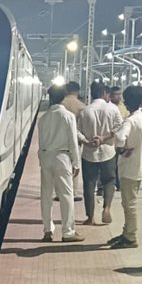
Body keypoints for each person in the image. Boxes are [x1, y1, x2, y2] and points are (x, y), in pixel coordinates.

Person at [110, 83, 142, 249]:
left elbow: (119, 140)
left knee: (129, 204)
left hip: (128, 168)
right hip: (141, 166)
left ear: (126, 102)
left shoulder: (129, 121)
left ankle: (130, 237)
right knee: (130, 202)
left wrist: (123, 151)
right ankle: (126, 232)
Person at [38, 85, 84, 243]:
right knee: (66, 195)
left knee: (46, 195)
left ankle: (47, 231)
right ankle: (68, 232)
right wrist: (76, 162)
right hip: (62, 157)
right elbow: (73, 140)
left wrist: (42, 160)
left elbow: (40, 142)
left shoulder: (43, 118)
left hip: (46, 156)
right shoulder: (68, 116)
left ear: (50, 98)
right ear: (63, 97)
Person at [78, 78, 123, 226]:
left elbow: (76, 131)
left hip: (89, 153)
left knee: (89, 185)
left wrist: (87, 141)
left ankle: (90, 217)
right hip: (108, 152)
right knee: (109, 181)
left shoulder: (85, 111)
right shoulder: (113, 109)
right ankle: (107, 208)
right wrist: (103, 138)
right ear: (105, 93)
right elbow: (119, 127)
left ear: (91, 94)